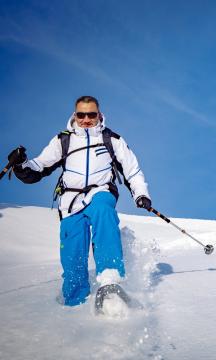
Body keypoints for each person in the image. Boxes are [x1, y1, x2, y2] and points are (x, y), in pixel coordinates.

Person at [7, 95, 152, 306]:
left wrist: (141, 194)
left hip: (99, 191)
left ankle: (110, 280)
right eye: (81, 114)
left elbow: (133, 172)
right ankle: (74, 303)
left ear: (99, 115)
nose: (86, 119)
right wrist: (20, 164)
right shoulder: (63, 140)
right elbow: (38, 168)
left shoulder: (111, 139)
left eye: (91, 114)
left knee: (103, 210)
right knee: (73, 255)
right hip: (70, 203)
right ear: (75, 115)